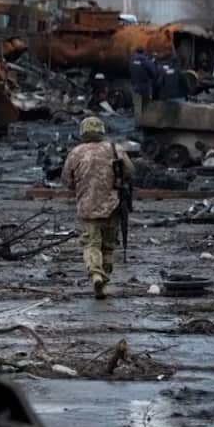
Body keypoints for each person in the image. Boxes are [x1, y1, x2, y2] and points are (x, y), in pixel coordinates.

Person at [61, 116, 135, 299]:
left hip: (87, 207)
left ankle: (95, 274)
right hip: (113, 205)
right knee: (109, 246)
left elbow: (66, 181)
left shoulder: (76, 152)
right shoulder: (114, 149)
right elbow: (130, 172)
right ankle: (105, 280)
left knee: (91, 244)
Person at [129, 48, 157, 116]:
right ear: (143, 52)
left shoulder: (131, 60)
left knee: (137, 105)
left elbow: (129, 71)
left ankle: (137, 123)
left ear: (136, 52)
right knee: (145, 106)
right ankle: (145, 121)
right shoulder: (145, 61)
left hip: (135, 85)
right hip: (144, 86)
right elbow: (153, 72)